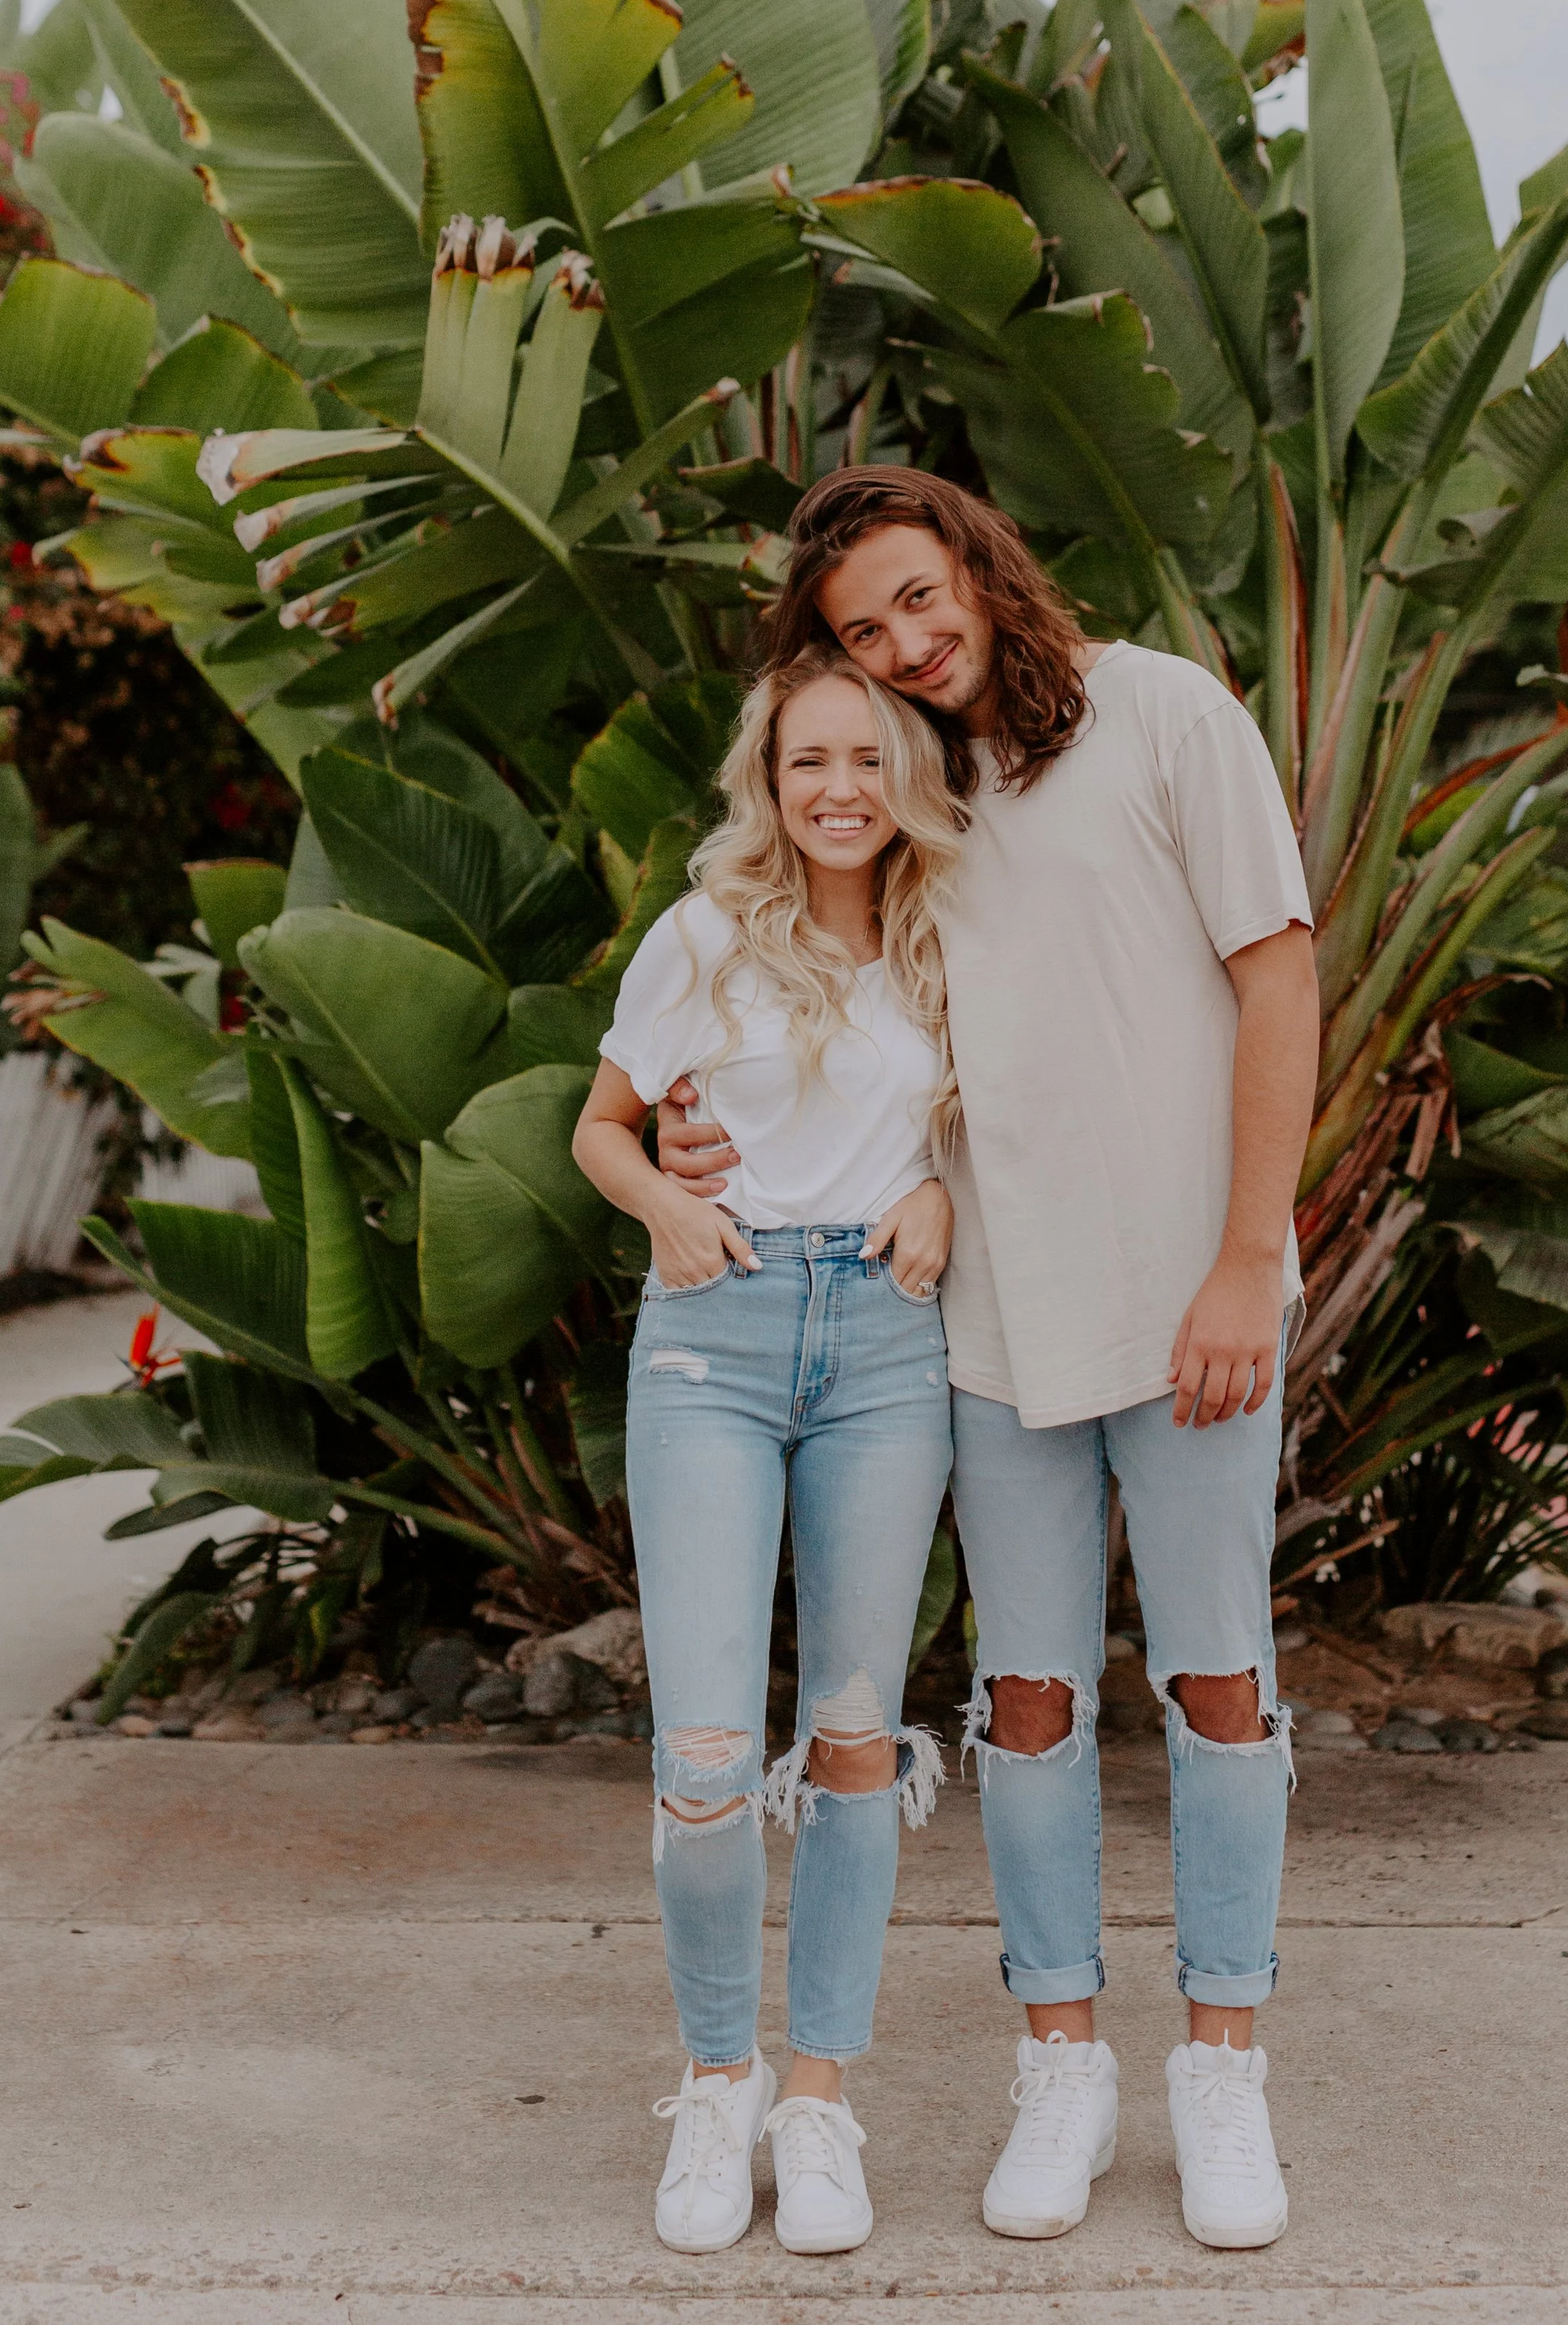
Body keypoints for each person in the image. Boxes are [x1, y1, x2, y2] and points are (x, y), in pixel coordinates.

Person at [659, 465, 1320, 2254]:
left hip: (1189, 1294)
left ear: (974, 559)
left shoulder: (1164, 713)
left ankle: (1220, 2066)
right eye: (860, 631)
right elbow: (826, 1009)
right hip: (986, 1318)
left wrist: (1245, 1261)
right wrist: (694, 1132)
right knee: (1024, 1699)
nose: (902, 642)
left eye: (913, 595)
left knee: (1217, 1683)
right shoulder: (907, 789)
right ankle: (1061, 2061)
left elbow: (1275, 980)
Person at [573, 640, 965, 2259]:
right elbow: (602, 1126)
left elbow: (995, 1128)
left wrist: (941, 1190)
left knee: (856, 1739)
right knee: (708, 1752)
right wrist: (662, 1208)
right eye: (810, 759)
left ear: (908, 775)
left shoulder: (956, 938)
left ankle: (816, 2100)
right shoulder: (702, 935)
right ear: (769, 778)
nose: (839, 789)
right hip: (713, 1339)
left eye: (869, 757)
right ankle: (715, 2078)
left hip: (887, 1344)